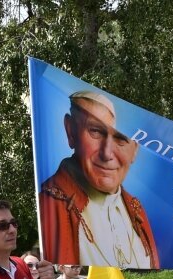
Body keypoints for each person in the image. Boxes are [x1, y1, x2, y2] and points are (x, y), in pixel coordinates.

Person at [39, 90, 159, 269]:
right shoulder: (48, 207)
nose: (107, 153)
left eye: (121, 139)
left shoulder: (137, 210)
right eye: (95, 131)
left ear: (135, 150)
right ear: (70, 131)